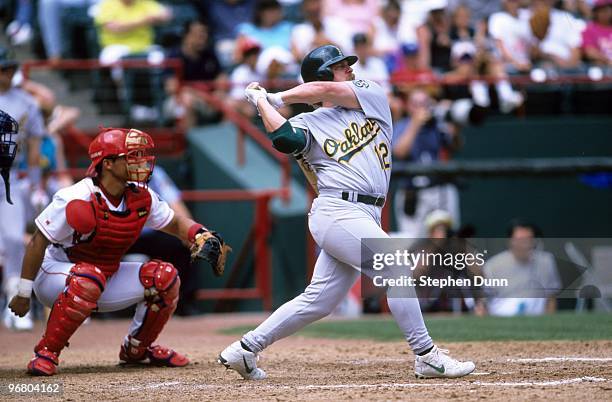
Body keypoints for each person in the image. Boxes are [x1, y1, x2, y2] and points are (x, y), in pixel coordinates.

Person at [217, 44, 475, 380]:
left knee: (320, 301)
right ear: (323, 73)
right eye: (341, 66)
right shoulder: (310, 121)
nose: (350, 69)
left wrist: (274, 97)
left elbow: (325, 90)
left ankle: (246, 349)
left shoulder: (372, 96)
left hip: (364, 213)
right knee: (395, 267)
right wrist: (262, 103)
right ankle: (426, 355)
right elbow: (284, 139)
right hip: (337, 209)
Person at [7, 127, 229, 376]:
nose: (141, 161)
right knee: (87, 278)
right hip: (55, 275)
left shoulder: (141, 196)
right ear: (108, 164)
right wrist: (24, 292)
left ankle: (137, 349)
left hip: (103, 275)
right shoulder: (75, 197)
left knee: (165, 277)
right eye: (132, 156)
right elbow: (38, 242)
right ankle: (46, 353)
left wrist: (200, 234)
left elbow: (175, 223)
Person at [0, 47, 45, 332]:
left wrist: (36, 182)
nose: (8, 73)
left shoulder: (27, 102)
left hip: (11, 177)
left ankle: (15, 303)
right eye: (3, 69)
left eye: (10, 68)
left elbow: (35, 145)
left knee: (15, 240)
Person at [392, 88, 461, 238]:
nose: (420, 108)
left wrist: (454, 121)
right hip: (412, 191)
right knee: (411, 241)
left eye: (424, 103)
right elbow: (399, 152)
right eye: (415, 104)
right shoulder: (402, 125)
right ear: (408, 107)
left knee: (447, 240)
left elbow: (455, 146)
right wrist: (415, 123)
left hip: (438, 189)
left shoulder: (436, 125)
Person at [478, 220, 561, 316]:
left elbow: (551, 298)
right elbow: (484, 301)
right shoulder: (493, 265)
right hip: (502, 321)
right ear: (510, 241)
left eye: (529, 239)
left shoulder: (546, 261)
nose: (525, 244)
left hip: (537, 319)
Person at [582, 0, 612, 66]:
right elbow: (589, 52)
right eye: (602, 10)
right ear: (595, 12)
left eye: (608, 10)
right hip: (603, 68)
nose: (606, 13)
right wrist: (607, 60)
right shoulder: (589, 29)